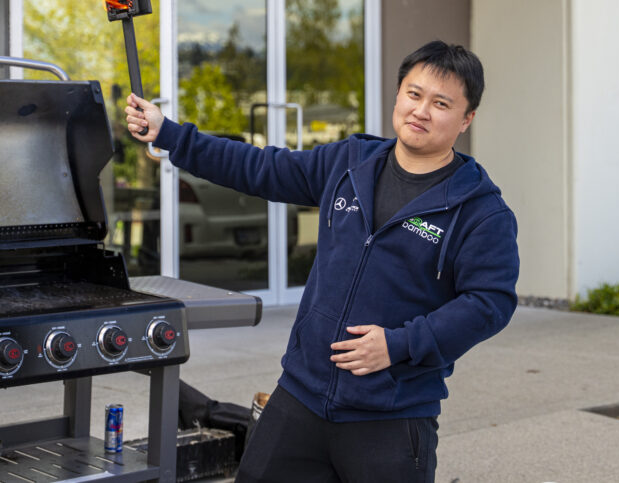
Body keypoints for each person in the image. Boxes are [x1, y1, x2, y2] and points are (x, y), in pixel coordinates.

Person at [125, 40, 519, 483]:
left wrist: (399, 345)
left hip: (391, 414)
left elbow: (490, 303)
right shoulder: (350, 164)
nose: (421, 111)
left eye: (441, 103)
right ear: (398, 95)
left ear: (466, 119)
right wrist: (171, 133)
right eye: (414, 93)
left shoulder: (480, 210)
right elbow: (259, 168)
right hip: (301, 397)